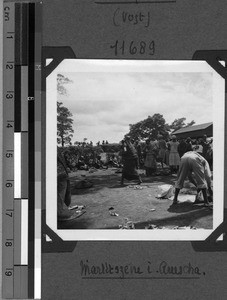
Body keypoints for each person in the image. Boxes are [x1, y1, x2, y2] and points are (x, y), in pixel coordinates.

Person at [57, 149, 79, 221]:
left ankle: (61, 210)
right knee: (60, 194)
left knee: (62, 194)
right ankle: (60, 212)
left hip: (61, 174)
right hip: (60, 174)